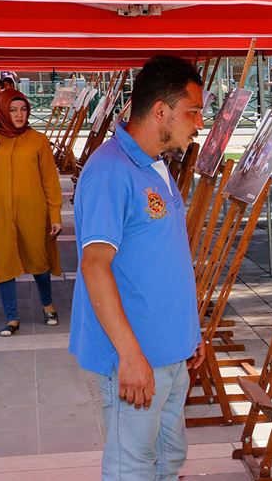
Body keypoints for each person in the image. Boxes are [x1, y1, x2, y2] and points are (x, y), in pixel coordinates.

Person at [70, 55, 205, 480]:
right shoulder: (111, 170)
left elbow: (162, 258)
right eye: (193, 112)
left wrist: (190, 333)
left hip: (170, 352)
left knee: (167, 464)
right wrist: (130, 356)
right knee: (132, 470)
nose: (199, 123)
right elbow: (95, 267)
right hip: (136, 358)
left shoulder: (155, 163)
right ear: (161, 111)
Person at [0, 89, 63, 336]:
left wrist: (55, 214)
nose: (19, 114)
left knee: (39, 260)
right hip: (0, 215)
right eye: (12, 110)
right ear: (2, 111)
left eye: (23, 109)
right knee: (3, 263)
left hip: (33, 213)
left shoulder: (38, 141)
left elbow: (50, 181)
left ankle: (47, 304)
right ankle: (12, 318)